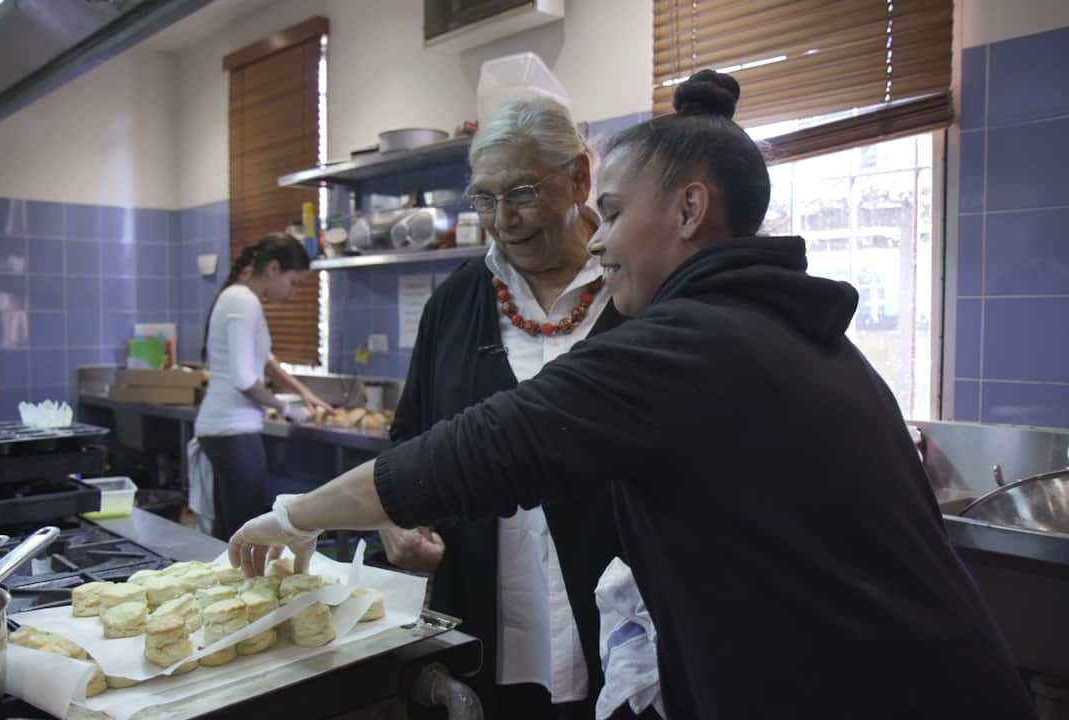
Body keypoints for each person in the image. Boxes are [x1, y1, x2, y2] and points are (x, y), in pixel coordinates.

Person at [226, 71, 1036, 720]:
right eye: (488, 199)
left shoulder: (695, 343)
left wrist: (295, 515)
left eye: (611, 213)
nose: (601, 237)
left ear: (689, 209)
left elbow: (489, 446)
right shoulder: (790, 324)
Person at [380, 96, 644, 720]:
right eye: (485, 198)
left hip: (623, 626)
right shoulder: (455, 303)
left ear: (579, 178)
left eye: (522, 191)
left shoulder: (638, 290)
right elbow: (410, 436)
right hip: (485, 622)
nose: (504, 219)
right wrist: (395, 518)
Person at [194, 232, 331, 540]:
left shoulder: (237, 297)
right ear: (273, 269)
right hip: (233, 430)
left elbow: (266, 359)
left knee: (231, 531)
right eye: (293, 282)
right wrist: (286, 408)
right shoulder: (245, 302)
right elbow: (244, 379)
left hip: (223, 429)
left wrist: (303, 393)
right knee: (247, 536)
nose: (294, 293)